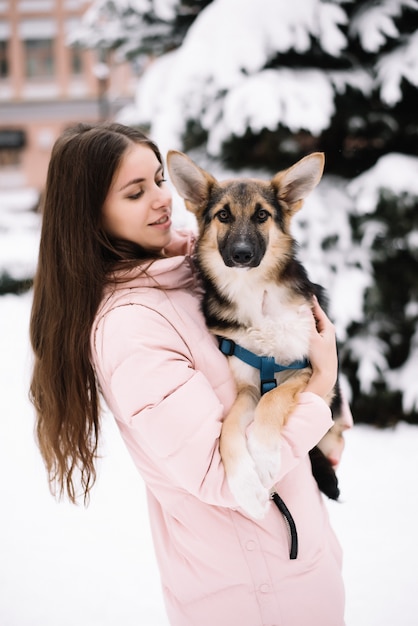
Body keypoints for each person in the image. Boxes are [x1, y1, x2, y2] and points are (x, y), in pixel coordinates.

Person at [30, 121, 352, 626]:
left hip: (295, 566)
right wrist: (320, 390)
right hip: (249, 595)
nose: (162, 200)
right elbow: (221, 477)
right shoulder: (131, 328)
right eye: (135, 192)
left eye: (159, 180)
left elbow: (279, 360)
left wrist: (327, 407)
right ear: (91, 214)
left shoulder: (195, 272)